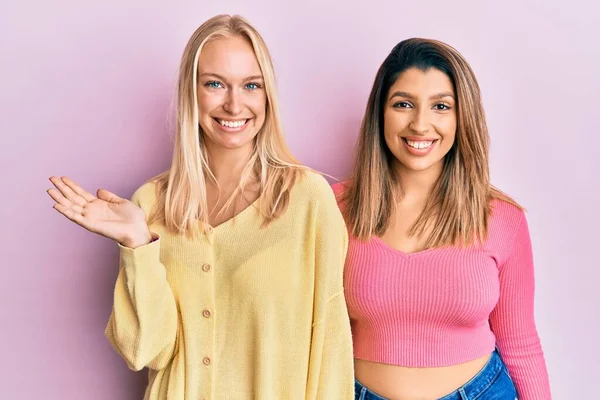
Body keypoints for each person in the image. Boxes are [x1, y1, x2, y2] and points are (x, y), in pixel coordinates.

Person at [47, 14, 353, 400]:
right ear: (191, 92)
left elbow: (331, 348)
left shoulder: (307, 199)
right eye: (214, 84)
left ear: (267, 95)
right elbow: (145, 351)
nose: (234, 103)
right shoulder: (150, 204)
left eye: (251, 85)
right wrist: (138, 243)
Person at [334, 38, 551, 399]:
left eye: (440, 106)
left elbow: (521, 343)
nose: (420, 124)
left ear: (461, 117)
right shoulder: (334, 209)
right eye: (403, 104)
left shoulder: (501, 219)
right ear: (380, 113)